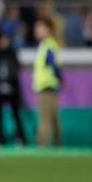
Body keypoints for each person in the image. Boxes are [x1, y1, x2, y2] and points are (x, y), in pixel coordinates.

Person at [32, 17, 62, 147]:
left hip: (47, 86)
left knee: (45, 119)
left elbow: (54, 65)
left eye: (40, 27)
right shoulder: (47, 45)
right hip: (49, 85)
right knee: (53, 117)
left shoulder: (48, 46)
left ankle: (42, 146)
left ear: (47, 29)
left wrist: (59, 78)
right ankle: (57, 144)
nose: (37, 30)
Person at [0, 32, 27, 146]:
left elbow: (16, 70)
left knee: (16, 115)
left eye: (6, 40)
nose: (4, 43)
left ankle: (21, 138)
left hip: (13, 90)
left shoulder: (12, 53)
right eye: (2, 40)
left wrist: (9, 81)